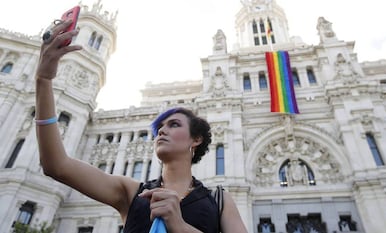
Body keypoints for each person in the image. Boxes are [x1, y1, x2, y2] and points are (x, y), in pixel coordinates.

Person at [35, 20, 248, 233]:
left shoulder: (219, 200)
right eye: (159, 128)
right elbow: (56, 165)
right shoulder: (131, 193)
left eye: (174, 125)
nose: (162, 131)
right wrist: (44, 80)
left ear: (196, 139)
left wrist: (180, 227)